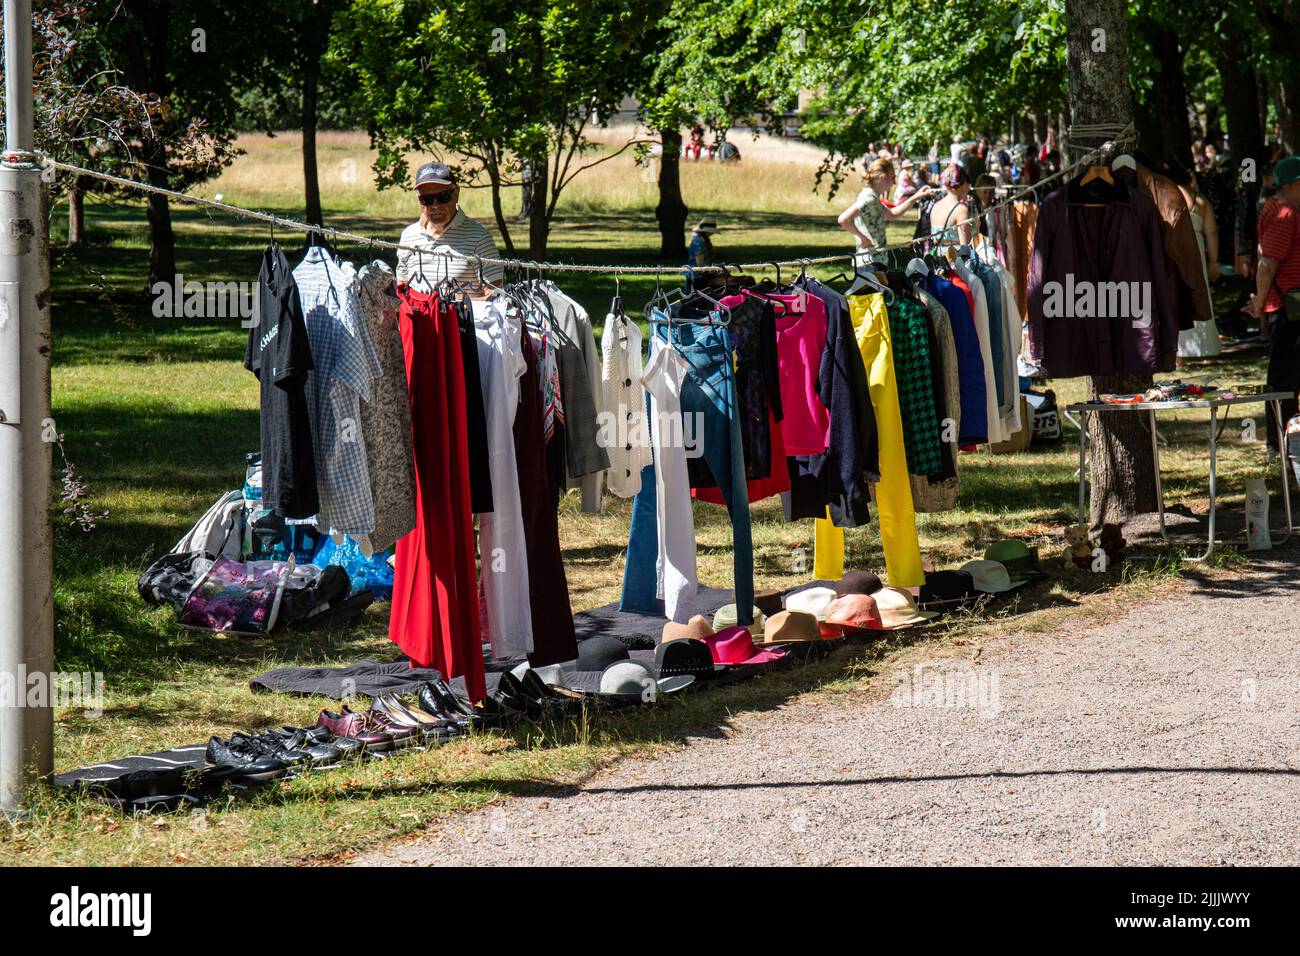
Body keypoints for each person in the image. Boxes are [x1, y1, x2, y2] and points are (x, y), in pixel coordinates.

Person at [1243, 155, 1300, 453]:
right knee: (1284, 379)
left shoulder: (1283, 209)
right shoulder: (1283, 213)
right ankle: (1278, 445)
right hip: (1289, 309)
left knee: (1290, 378)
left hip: (1289, 307)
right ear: (1290, 184)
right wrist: (1260, 301)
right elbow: (1267, 264)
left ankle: (1288, 444)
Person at [396, 161, 503, 297]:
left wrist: (459, 307)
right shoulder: (408, 236)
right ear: (419, 199)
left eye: (443, 197)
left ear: (456, 193)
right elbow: (401, 289)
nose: (435, 205)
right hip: (416, 311)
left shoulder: (479, 237)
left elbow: (495, 295)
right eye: (427, 199)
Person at [837, 157, 934, 266]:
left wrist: (916, 196)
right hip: (869, 262)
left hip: (874, 261)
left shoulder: (873, 197)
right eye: (892, 177)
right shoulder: (869, 199)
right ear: (883, 177)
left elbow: (892, 214)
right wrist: (863, 238)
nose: (894, 182)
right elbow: (843, 219)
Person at [929, 164, 974, 247]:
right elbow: (965, 246)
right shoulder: (961, 210)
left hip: (938, 254)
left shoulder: (936, 206)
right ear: (964, 184)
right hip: (955, 254)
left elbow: (934, 240)